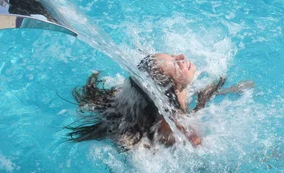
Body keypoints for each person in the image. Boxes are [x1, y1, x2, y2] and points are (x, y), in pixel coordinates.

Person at [66, 53, 252, 149]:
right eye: (175, 62)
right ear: (170, 91)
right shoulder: (185, 132)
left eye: (172, 56)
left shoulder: (134, 96)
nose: (180, 56)